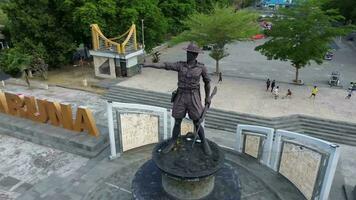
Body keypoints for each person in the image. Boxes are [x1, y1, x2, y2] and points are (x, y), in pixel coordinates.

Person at [143, 42, 212, 155]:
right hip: (180, 96)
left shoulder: (201, 68)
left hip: (193, 96)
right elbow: (165, 65)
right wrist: (148, 64)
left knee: (197, 121)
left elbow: (207, 82)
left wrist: (208, 97)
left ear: (196, 55)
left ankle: (204, 142)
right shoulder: (180, 65)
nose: (188, 54)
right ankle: (173, 141)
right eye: (188, 52)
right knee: (177, 121)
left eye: (191, 53)